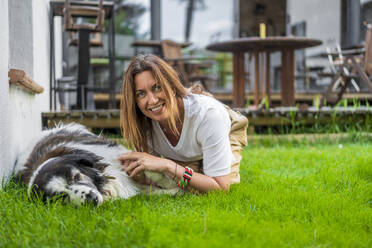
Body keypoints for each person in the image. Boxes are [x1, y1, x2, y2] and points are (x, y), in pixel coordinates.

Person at [118, 54, 248, 193]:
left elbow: (220, 188)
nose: (152, 100)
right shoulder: (143, 122)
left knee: (200, 189)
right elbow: (154, 178)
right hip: (191, 147)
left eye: (157, 87)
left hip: (227, 128)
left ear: (173, 87)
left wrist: (168, 165)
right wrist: (140, 177)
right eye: (141, 94)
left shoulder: (209, 116)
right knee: (181, 185)